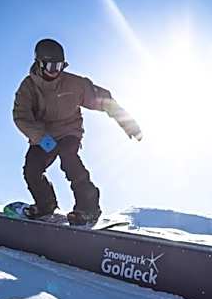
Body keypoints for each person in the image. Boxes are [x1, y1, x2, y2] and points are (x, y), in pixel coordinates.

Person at [12, 38, 142, 225]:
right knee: (32, 169)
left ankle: (88, 208)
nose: (56, 71)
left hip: (69, 132)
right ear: (39, 64)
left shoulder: (74, 84)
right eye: (50, 66)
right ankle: (45, 205)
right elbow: (21, 116)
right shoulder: (28, 87)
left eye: (60, 66)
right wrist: (41, 138)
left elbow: (104, 99)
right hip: (43, 137)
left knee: (69, 158)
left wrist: (128, 123)